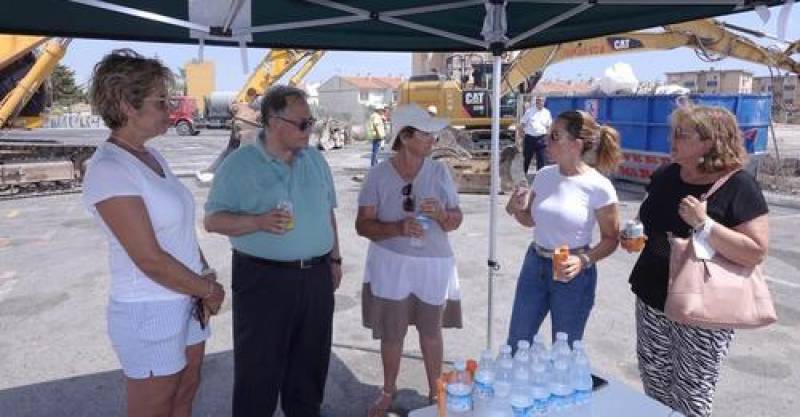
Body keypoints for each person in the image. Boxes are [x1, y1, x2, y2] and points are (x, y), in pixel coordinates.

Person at [82, 49, 225, 417]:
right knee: (155, 408)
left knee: (185, 393)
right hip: (150, 309)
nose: (170, 108)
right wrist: (207, 289)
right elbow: (149, 259)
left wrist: (204, 273)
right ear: (127, 106)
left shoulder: (151, 156)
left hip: (186, 299)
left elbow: (179, 231)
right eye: (160, 101)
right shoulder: (110, 169)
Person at [204, 85, 342, 417]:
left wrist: (335, 259)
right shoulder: (239, 165)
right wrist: (258, 221)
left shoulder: (316, 161)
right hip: (263, 280)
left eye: (311, 121)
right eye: (303, 123)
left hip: (317, 277)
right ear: (273, 121)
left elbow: (328, 213)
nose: (310, 129)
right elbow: (212, 221)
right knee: (258, 372)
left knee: (310, 370)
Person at [623, 105, 769, 417]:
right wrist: (633, 231)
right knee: (654, 379)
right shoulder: (666, 174)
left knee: (691, 392)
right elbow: (647, 213)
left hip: (705, 304)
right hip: (652, 294)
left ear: (709, 142)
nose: (671, 139)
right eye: (672, 132)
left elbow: (755, 250)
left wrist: (706, 225)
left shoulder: (738, 185)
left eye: (681, 134)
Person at [356, 104, 463, 416]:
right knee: (392, 332)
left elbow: (456, 220)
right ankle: (387, 392)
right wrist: (398, 227)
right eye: (425, 133)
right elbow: (362, 225)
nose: (433, 138)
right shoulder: (377, 175)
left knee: (431, 331)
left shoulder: (439, 171)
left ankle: (435, 392)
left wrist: (442, 214)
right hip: (391, 264)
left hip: (433, 265)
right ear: (404, 136)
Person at [505, 110, 622, 347]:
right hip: (535, 264)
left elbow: (611, 238)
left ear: (576, 144)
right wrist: (517, 209)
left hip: (573, 271)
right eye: (548, 135)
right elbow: (531, 220)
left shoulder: (599, 186)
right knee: (518, 341)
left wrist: (584, 260)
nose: (546, 141)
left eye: (555, 136)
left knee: (565, 349)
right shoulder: (544, 176)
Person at [519, 96, 553, 174]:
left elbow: (549, 126)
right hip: (529, 138)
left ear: (544, 102)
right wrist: (520, 137)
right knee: (526, 159)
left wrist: (548, 138)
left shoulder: (547, 112)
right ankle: (522, 177)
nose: (539, 102)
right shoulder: (529, 111)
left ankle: (540, 178)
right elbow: (522, 124)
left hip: (541, 139)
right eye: (537, 101)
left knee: (541, 160)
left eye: (541, 101)